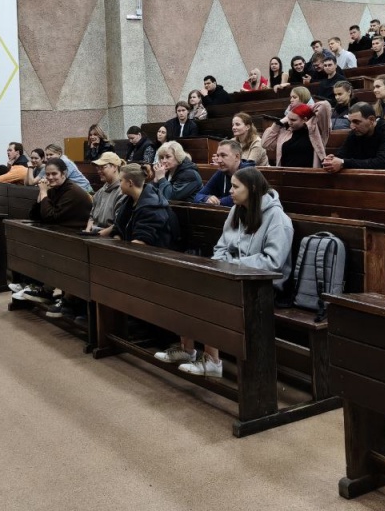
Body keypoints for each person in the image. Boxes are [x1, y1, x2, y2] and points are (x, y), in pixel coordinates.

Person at [156, 167, 294, 378]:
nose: (230, 191)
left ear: (253, 188)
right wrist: (226, 265)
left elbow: (272, 262)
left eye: (235, 187)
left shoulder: (277, 218)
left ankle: (213, 361)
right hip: (234, 276)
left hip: (265, 285)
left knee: (210, 296)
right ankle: (188, 350)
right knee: (186, 286)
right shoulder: (236, 211)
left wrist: (234, 264)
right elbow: (220, 248)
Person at [17, 157, 95, 305]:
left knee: (49, 252)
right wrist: (41, 196)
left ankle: (49, 292)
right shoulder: (55, 189)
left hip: (77, 238)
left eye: (54, 174)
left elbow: (50, 217)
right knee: (33, 247)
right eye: (48, 174)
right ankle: (43, 289)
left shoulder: (72, 191)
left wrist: (44, 193)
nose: (50, 178)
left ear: (64, 174)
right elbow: (34, 215)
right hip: (61, 233)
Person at [323, 103, 385, 172]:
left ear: (371, 120)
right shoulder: (355, 132)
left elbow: (382, 163)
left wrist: (343, 163)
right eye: (350, 122)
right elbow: (343, 154)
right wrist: (332, 160)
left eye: (356, 122)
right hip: (373, 179)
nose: (352, 126)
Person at [104, 163, 176, 247]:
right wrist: (116, 241)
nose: (119, 184)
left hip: (152, 254)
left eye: (121, 181)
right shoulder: (128, 201)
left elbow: (143, 240)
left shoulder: (151, 207)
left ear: (130, 183)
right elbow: (118, 228)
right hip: (130, 249)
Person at [262, 101, 330, 168]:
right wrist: (278, 123)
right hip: (286, 174)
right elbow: (265, 143)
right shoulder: (286, 132)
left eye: (293, 120)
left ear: (305, 119)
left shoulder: (315, 130)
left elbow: (324, 106)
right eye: (288, 119)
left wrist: (302, 107)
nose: (289, 123)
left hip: (309, 175)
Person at [193, 139, 253, 206]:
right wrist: (207, 198)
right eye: (218, 156)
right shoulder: (221, 172)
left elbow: (238, 199)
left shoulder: (248, 173)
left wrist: (218, 201)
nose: (219, 160)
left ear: (237, 157)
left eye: (223, 155)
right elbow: (198, 196)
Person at [85, 152, 125, 233]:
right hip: (95, 235)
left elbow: (119, 224)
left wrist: (100, 234)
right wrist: (88, 229)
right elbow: (92, 217)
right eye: (98, 168)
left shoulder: (122, 191)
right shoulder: (100, 192)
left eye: (103, 167)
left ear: (114, 167)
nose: (99, 171)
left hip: (111, 236)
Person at [27, 144, 93, 192]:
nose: (48, 157)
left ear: (59, 154)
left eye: (51, 154)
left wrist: (44, 184)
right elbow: (31, 182)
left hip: (84, 189)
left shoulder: (65, 162)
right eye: (47, 155)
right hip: (70, 190)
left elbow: (60, 181)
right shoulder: (50, 164)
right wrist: (30, 167)